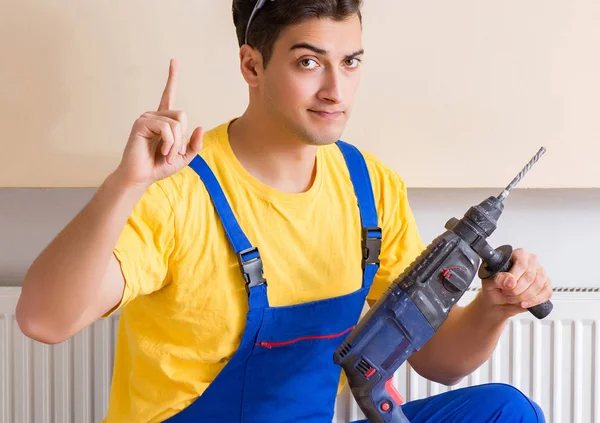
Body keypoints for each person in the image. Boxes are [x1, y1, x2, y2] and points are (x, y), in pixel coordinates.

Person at [16, 1, 552, 422]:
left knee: (507, 411)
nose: (335, 90)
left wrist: (493, 307)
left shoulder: (370, 188)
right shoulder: (180, 190)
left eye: (351, 62)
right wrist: (126, 182)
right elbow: (43, 319)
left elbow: (437, 361)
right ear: (252, 64)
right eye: (308, 62)